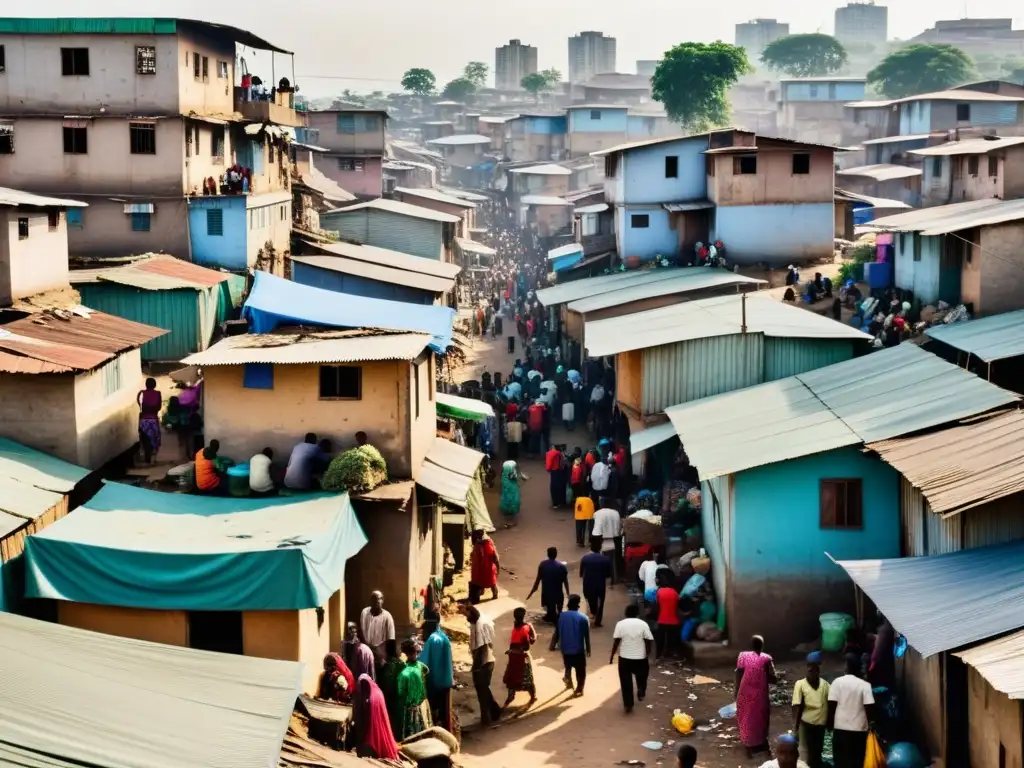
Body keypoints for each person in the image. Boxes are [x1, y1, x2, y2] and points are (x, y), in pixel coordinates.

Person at [827, 654, 875, 768]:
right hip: (859, 732)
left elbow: (831, 706)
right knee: (857, 761)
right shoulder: (865, 685)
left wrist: (829, 724)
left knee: (840, 762)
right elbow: (869, 709)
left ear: (847, 667)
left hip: (841, 730)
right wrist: (870, 726)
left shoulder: (837, 683)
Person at [735, 635, 777, 758]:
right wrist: (763, 675)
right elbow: (774, 678)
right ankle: (762, 742)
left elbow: (738, 674)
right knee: (761, 717)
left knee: (746, 717)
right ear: (762, 646)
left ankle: (748, 745)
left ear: (751, 646)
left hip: (745, 693)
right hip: (760, 694)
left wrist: (736, 692)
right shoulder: (766, 659)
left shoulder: (743, 656)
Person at [610, 603, 654, 713]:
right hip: (640, 657)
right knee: (642, 676)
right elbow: (648, 640)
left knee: (626, 682)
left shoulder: (620, 624)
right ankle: (641, 690)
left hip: (625, 657)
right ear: (637, 613)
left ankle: (628, 705)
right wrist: (648, 652)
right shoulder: (643, 624)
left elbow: (617, 641)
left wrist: (612, 656)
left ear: (626, 613)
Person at [465, 604, 502, 726]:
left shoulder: (479, 629)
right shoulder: (476, 625)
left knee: (482, 691)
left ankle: (486, 719)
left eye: (466, 613)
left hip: (484, 664)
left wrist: (475, 667)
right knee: (484, 689)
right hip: (487, 662)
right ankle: (495, 711)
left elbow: (480, 651)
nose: (465, 615)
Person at [792, 652, 829, 768]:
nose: (812, 670)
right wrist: (796, 727)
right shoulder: (800, 684)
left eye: (815, 667)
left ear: (818, 669)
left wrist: (830, 722)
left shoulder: (826, 685)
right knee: (804, 754)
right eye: (810, 667)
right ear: (807, 668)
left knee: (817, 753)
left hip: (820, 725)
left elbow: (832, 704)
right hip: (806, 724)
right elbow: (797, 707)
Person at [352, 674, 399, 760]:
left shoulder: (372, 698)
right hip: (381, 723)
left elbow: (367, 718)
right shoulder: (377, 691)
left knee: (375, 739)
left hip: (374, 725)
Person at [550, 594, 590, 697]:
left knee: (568, 665)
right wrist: (588, 649)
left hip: (565, 648)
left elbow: (557, 632)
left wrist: (552, 645)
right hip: (578, 649)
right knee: (580, 670)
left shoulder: (561, 616)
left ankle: (568, 679)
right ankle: (579, 688)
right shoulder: (583, 618)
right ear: (578, 606)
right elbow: (586, 635)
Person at [420, 627, 457, 736]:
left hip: (434, 682)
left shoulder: (432, 640)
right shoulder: (443, 636)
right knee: (445, 710)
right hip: (446, 680)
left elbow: (424, 662)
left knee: (433, 709)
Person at [395, 639, 432, 740]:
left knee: (411, 735)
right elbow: (427, 671)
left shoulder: (403, 674)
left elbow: (400, 691)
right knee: (424, 729)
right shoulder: (420, 666)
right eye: (417, 651)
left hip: (410, 708)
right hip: (423, 704)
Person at [502, 607, 537, 709]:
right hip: (522, 656)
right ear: (524, 616)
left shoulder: (515, 626)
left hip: (512, 656)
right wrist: (532, 629)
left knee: (512, 677)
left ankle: (510, 698)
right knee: (527, 679)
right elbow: (528, 644)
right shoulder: (526, 627)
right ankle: (533, 697)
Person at [527, 547, 569, 623]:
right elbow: (565, 581)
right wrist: (568, 593)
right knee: (559, 608)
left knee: (550, 608)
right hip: (558, 592)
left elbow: (538, 579)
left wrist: (532, 591)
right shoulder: (561, 567)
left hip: (547, 592)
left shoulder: (543, 565)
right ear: (556, 554)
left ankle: (550, 615)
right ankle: (558, 616)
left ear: (548, 554)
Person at [579, 538, 612, 627]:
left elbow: (581, 573)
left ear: (591, 548)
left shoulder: (585, 558)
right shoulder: (606, 559)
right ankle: (598, 620)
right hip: (600, 584)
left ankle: (592, 614)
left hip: (588, 584)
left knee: (590, 601)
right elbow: (608, 575)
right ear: (600, 548)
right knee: (600, 603)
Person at [359, 591, 397, 668]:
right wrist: (368, 648)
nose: (377, 601)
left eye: (379, 599)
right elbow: (362, 631)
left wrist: (390, 658)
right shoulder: (365, 612)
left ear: (382, 600)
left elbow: (391, 639)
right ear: (370, 600)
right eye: (374, 599)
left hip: (381, 655)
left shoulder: (387, 616)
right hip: (367, 651)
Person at [591, 497, 623, 583]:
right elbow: (619, 528)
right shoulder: (616, 513)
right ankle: (615, 577)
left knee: (600, 559)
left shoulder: (597, 513)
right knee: (614, 559)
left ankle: (603, 577)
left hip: (601, 538)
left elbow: (595, 529)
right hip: (614, 538)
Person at [654, 571, 682, 659]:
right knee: (672, 638)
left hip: (662, 619)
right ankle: (672, 653)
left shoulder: (659, 592)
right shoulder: (674, 592)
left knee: (660, 639)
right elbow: (677, 606)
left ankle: (658, 655)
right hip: (673, 620)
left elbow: (657, 606)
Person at [469, 530, 500, 603]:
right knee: (491, 582)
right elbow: (495, 557)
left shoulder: (484, 545)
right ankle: (490, 593)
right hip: (486, 568)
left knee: (489, 582)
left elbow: (495, 557)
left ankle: (492, 593)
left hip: (486, 568)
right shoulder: (486, 544)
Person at [137, 377, 162, 464]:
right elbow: (159, 407)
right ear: (154, 385)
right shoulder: (158, 394)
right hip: (153, 420)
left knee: (144, 440)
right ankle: (153, 459)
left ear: (146, 385)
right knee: (155, 439)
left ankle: (147, 458)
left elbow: (139, 406)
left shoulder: (141, 393)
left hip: (144, 420)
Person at [499, 460, 524, 528]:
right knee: (513, 500)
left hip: (506, 487)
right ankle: (511, 521)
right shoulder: (513, 470)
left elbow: (501, 475)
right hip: (512, 487)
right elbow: (516, 476)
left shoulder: (504, 473)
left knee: (506, 499)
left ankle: (507, 519)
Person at [545, 443, 566, 508]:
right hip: (561, 471)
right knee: (561, 486)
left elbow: (549, 465)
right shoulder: (561, 454)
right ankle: (561, 501)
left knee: (554, 487)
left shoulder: (550, 453)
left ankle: (555, 503)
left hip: (554, 471)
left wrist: (548, 469)